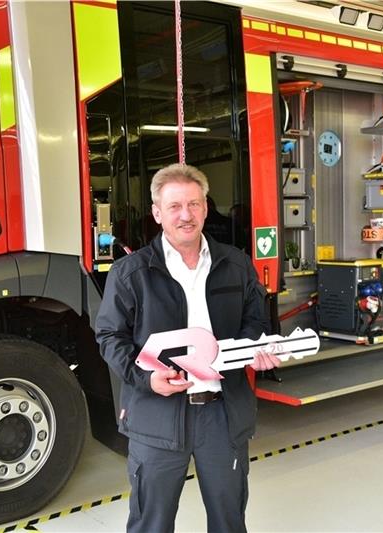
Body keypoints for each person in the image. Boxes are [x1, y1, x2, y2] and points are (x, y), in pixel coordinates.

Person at [95, 163, 280, 533]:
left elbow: (256, 323)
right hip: (157, 416)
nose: (186, 215)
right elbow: (110, 337)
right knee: (152, 523)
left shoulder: (236, 264)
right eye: (175, 206)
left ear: (206, 208)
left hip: (222, 416)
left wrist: (255, 351)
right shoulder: (131, 273)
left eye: (194, 204)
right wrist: (147, 379)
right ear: (157, 213)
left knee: (229, 522)